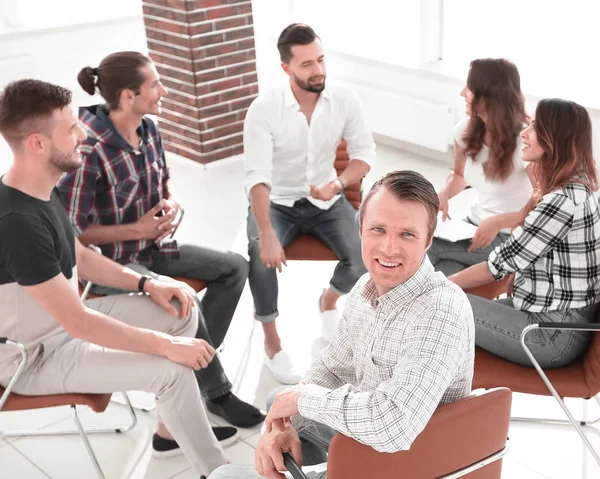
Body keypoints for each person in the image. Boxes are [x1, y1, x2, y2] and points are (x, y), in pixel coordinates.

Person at [0, 79, 231, 476]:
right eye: (71, 128)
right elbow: (79, 321)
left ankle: (169, 432)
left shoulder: (42, 187)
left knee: (181, 309)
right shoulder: (16, 223)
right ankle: (222, 472)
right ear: (37, 143)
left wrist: (149, 283)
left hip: (62, 327)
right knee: (171, 369)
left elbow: (82, 260)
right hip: (34, 356)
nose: (84, 133)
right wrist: (163, 347)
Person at [209, 170, 475, 478]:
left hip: (405, 463)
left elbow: (393, 425)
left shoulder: (441, 311)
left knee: (222, 475)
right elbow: (334, 368)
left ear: (428, 240)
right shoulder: (366, 287)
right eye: (378, 229)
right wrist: (287, 425)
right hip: (368, 442)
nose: (389, 248)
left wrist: (303, 400)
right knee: (280, 403)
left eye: (407, 234)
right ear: (360, 229)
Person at [57, 51, 265, 428]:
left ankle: (192, 360)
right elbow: (73, 231)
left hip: (154, 249)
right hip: (112, 264)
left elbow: (164, 184)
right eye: (154, 84)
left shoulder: (148, 128)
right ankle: (215, 390)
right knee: (184, 302)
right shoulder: (87, 148)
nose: (163, 90)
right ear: (127, 96)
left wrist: (171, 205)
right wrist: (136, 229)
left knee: (234, 267)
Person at [244, 24, 376, 384]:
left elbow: (365, 154)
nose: (317, 69)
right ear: (286, 68)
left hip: (325, 200)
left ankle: (329, 299)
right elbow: (256, 177)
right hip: (277, 201)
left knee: (366, 255)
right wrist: (267, 233)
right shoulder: (264, 109)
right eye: (306, 64)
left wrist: (338, 183)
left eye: (320, 59)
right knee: (258, 253)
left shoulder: (345, 99)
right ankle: (273, 344)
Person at [450, 98, 600, 368]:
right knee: (449, 306)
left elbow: (497, 265)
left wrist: (442, 285)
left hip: (551, 334)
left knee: (446, 303)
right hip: (554, 321)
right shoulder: (579, 187)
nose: (524, 133)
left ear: (554, 139)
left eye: (534, 127)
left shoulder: (561, 202)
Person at [429, 58, 534, 277]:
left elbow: (546, 203)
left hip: (509, 236)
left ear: (489, 96)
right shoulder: (464, 131)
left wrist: (498, 221)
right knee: (440, 279)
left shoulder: (526, 141)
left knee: (424, 248)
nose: (461, 93)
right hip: (470, 228)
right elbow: (458, 174)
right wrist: (445, 193)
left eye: (469, 87)